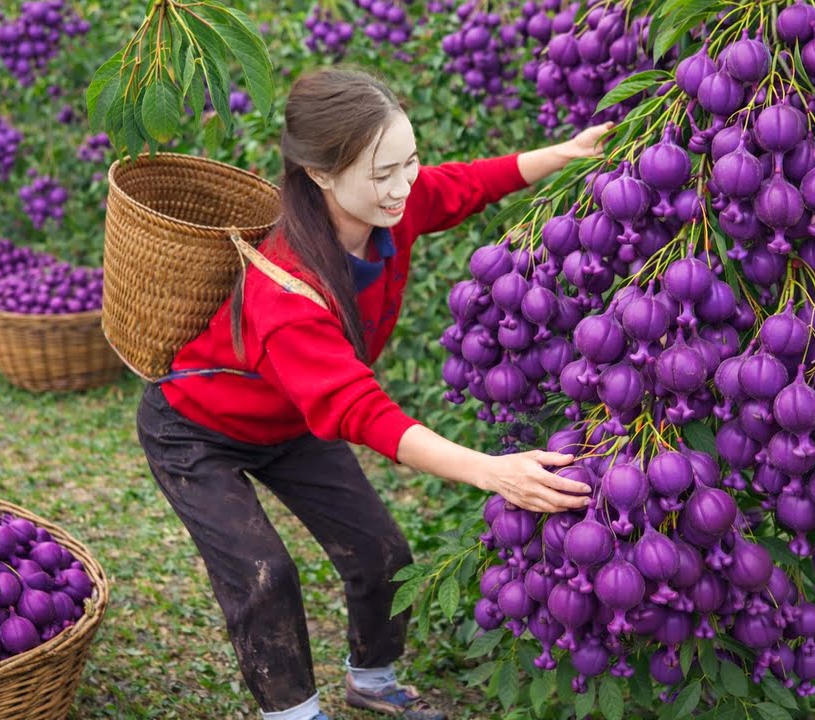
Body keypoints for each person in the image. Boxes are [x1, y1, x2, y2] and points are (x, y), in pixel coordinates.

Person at [136, 66, 612, 720]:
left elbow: (460, 185)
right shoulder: (287, 289)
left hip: (292, 424)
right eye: (381, 172)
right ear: (322, 175)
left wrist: (562, 153)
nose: (403, 185)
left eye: (408, 162)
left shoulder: (396, 206)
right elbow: (359, 409)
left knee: (383, 553)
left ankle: (372, 678)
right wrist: (490, 471)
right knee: (264, 576)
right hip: (195, 429)